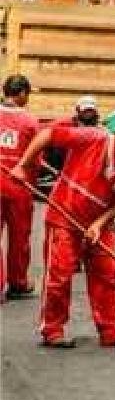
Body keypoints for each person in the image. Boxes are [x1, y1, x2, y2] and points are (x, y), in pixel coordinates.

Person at [11, 112, 115, 348]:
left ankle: (111, 332)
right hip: (64, 217)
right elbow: (47, 135)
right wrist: (22, 165)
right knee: (59, 275)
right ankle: (53, 330)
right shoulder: (92, 138)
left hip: (99, 224)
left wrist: (98, 224)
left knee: (109, 274)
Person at [0, 75, 40, 300]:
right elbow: (35, 159)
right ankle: (17, 283)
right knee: (19, 237)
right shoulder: (29, 122)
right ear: (22, 93)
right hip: (18, 187)